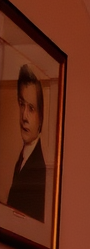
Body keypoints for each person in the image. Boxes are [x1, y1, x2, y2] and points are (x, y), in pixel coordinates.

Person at [6, 65, 46, 221]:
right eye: (21, 104)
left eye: (31, 108)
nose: (24, 116)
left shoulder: (40, 167)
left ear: (41, 116)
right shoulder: (22, 157)